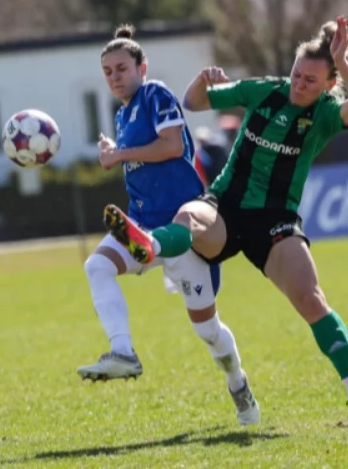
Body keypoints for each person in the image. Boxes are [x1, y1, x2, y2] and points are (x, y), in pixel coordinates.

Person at [101, 16, 348, 422]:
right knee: (188, 215)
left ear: (328, 85)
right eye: (297, 74)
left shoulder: (325, 115)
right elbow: (194, 102)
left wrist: (343, 60)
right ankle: (150, 245)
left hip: (274, 222)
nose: (299, 84)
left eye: (310, 81)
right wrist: (202, 80)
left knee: (310, 299)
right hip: (224, 207)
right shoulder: (264, 90)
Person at [76, 24, 260, 426]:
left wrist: (119, 154)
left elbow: (173, 146)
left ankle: (237, 382)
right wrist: (117, 152)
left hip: (184, 227)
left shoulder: (155, 94)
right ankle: (123, 352)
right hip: (141, 225)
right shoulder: (123, 115)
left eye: (121, 68)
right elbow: (136, 159)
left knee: (207, 330)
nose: (115, 77)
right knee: (97, 266)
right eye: (107, 72)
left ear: (142, 67)